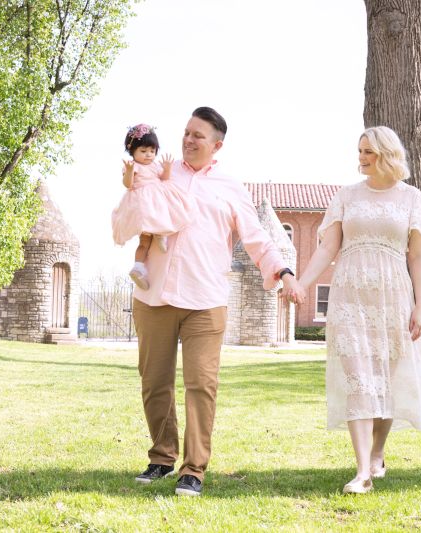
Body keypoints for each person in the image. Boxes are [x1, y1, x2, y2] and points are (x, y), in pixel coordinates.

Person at [129, 106, 300, 497]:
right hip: (154, 296)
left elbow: (256, 237)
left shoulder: (230, 187)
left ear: (216, 145)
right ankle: (162, 457)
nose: (188, 140)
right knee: (154, 382)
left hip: (205, 300)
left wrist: (284, 272)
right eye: (186, 132)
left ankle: (193, 469)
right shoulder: (160, 172)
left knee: (201, 385)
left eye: (198, 136)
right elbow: (134, 200)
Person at [288, 126, 421, 494]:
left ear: (387, 154)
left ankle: (377, 452)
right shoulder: (346, 196)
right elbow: (328, 248)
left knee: (384, 378)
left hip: (393, 298)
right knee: (358, 378)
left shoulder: (412, 199)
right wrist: (303, 283)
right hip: (349, 297)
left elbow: (418, 257)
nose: (361, 158)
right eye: (359, 151)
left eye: (368, 151)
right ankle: (362, 473)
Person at [111, 124, 195, 290]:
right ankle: (157, 238)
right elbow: (128, 184)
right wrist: (129, 171)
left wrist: (167, 168)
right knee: (154, 223)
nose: (148, 154)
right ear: (132, 151)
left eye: (152, 151)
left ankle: (139, 265)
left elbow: (164, 178)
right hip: (143, 201)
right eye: (143, 151)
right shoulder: (133, 166)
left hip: (153, 199)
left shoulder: (155, 165)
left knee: (146, 239)